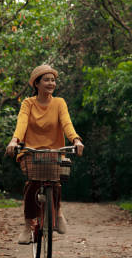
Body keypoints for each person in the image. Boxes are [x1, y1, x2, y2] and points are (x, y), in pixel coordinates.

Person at [5, 65, 84, 244]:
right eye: (47, 80)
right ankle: (27, 226)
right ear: (37, 84)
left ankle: (57, 211)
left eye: (53, 80)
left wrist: (76, 140)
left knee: (55, 183)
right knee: (32, 184)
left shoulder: (59, 103)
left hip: (54, 152)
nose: (51, 83)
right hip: (31, 151)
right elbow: (22, 123)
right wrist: (15, 140)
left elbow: (67, 123)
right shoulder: (28, 103)